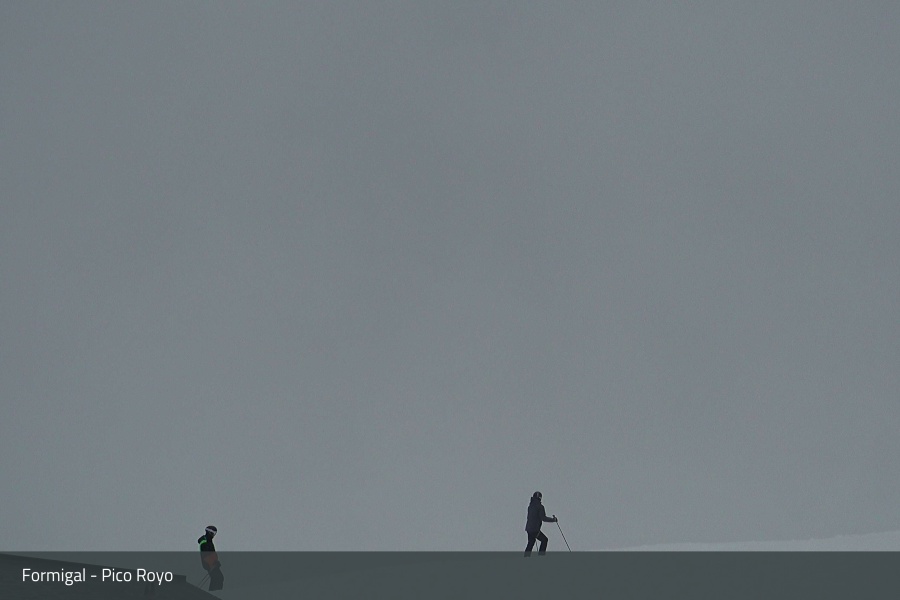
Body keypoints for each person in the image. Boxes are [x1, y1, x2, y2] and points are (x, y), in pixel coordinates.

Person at [524, 491, 557, 557]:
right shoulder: (540, 507)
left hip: (529, 528)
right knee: (544, 540)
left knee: (531, 542)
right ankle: (541, 556)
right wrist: (553, 520)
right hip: (535, 529)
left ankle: (526, 557)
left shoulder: (530, 506)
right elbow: (543, 518)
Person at [198, 525, 224, 591]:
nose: (213, 535)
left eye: (215, 534)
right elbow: (206, 554)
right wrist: (213, 562)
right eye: (213, 533)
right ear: (208, 532)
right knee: (218, 577)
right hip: (209, 563)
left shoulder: (209, 541)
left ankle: (215, 591)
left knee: (218, 577)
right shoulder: (204, 541)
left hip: (212, 563)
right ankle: (214, 592)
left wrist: (216, 561)